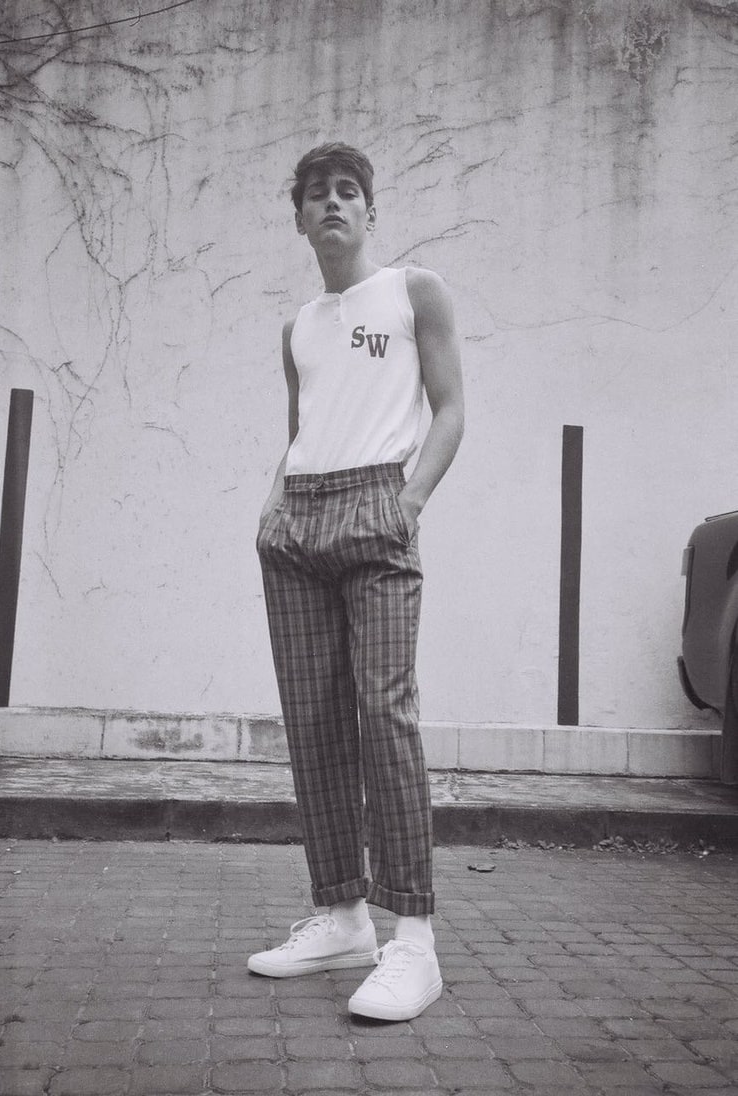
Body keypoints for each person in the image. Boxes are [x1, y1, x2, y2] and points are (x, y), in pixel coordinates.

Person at [249, 142, 464, 1021]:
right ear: (300, 217)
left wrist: (406, 505)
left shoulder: (415, 290)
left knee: (384, 711)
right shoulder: (297, 328)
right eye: (316, 194)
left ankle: (414, 939)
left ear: (370, 211)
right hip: (298, 519)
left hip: (378, 508)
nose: (332, 203)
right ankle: (342, 917)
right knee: (314, 723)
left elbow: (451, 410)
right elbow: (301, 431)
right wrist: (270, 515)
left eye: (348, 191)